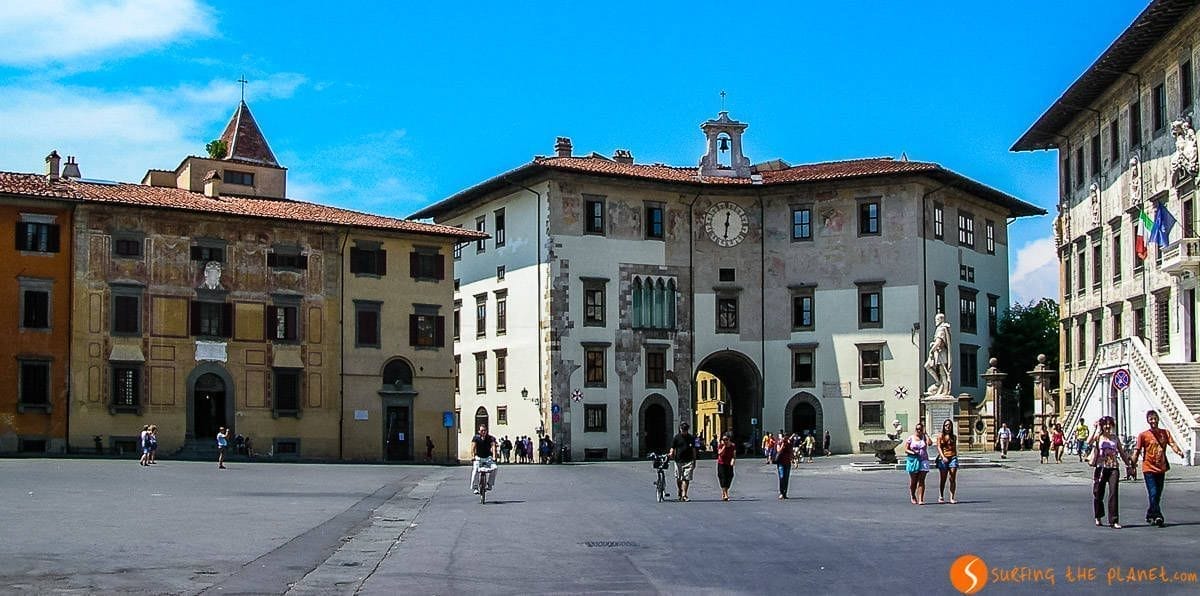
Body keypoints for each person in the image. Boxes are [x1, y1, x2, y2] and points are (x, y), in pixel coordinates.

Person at [1129, 410, 1185, 527]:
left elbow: (1172, 443)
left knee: (1157, 494)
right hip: (1148, 468)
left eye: (1155, 419)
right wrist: (1132, 465)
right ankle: (1158, 516)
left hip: (1161, 468)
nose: (1153, 421)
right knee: (1153, 492)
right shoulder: (1143, 435)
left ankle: (1150, 514)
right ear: (1148, 421)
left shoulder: (1165, 433)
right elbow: (1137, 450)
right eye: (1151, 419)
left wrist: (1179, 451)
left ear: (1158, 419)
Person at [1088, 416, 1133, 528]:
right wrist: (1095, 429)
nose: (1108, 427)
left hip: (1113, 467)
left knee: (1113, 493)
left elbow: (1122, 453)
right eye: (1105, 424)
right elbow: (1089, 442)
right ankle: (1098, 516)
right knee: (1098, 493)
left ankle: (1114, 520)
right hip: (1101, 467)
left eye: (1110, 424)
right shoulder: (1099, 437)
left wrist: (1128, 465)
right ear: (1102, 426)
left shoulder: (1115, 438)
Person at [923, 312, 952, 395]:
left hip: (941, 353)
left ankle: (945, 391)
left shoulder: (942, 328)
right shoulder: (941, 328)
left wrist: (931, 350)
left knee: (943, 373)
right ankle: (938, 382)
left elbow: (939, 342)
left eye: (937, 319)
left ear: (940, 319)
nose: (935, 321)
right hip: (938, 353)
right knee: (927, 366)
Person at [904, 423, 933, 505]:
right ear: (915, 429)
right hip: (913, 460)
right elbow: (906, 449)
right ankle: (913, 495)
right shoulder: (911, 438)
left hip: (924, 460)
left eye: (920, 429)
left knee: (922, 480)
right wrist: (913, 452)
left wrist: (926, 434)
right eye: (917, 429)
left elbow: (930, 443)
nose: (919, 430)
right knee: (914, 480)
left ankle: (921, 499)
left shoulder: (924, 437)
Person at [667, 422, 697, 502]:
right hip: (678, 461)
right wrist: (671, 453)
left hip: (689, 460)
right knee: (679, 478)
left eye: (686, 430)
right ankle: (680, 490)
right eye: (683, 429)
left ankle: (684, 494)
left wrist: (694, 460)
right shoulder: (676, 438)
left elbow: (694, 449)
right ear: (680, 429)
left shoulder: (691, 438)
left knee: (686, 478)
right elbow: (672, 448)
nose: (684, 431)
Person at [469, 424, 499, 494]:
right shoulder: (476, 438)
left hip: (488, 458)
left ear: (486, 431)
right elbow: (472, 448)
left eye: (484, 430)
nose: (483, 432)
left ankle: (490, 484)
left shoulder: (491, 438)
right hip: (478, 458)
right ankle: (475, 487)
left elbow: (493, 447)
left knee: (495, 468)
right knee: (475, 470)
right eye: (482, 430)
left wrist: (494, 457)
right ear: (479, 431)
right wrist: (472, 456)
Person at [935, 419, 959, 504]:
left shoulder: (954, 437)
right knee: (943, 478)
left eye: (949, 425)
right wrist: (942, 457)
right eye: (946, 425)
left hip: (952, 457)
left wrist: (955, 456)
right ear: (943, 426)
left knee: (952, 477)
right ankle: (941, 495)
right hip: (944, 458)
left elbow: (954, 448)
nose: (947, 427)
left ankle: (952, 497)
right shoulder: (940, 436)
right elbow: (938, 447)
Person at [715, 433, 736, 501]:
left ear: (729, 439)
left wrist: (733, 460)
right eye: (723, 440)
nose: (725, 441)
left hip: (729, 464)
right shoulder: (720, 445)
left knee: (730, 476)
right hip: (721, 464)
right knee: (723, 478)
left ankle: (725, 491)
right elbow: (720, 453)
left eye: (726, 439)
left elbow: (734, 455)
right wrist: (724, 446)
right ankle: (725, 494)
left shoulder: (733, 446)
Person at [774, 431, 794, 499]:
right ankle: (781, 492)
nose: (786, 439)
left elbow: (791, 452)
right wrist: (783, 445)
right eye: (785, 438)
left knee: (786, 478)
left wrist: (794, 461)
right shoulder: (779, 443)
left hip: (787, 463)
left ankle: (785, 493)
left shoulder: (789, 444)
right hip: (781, 463)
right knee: (782, 477)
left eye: (787, 438)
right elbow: (778, 451)